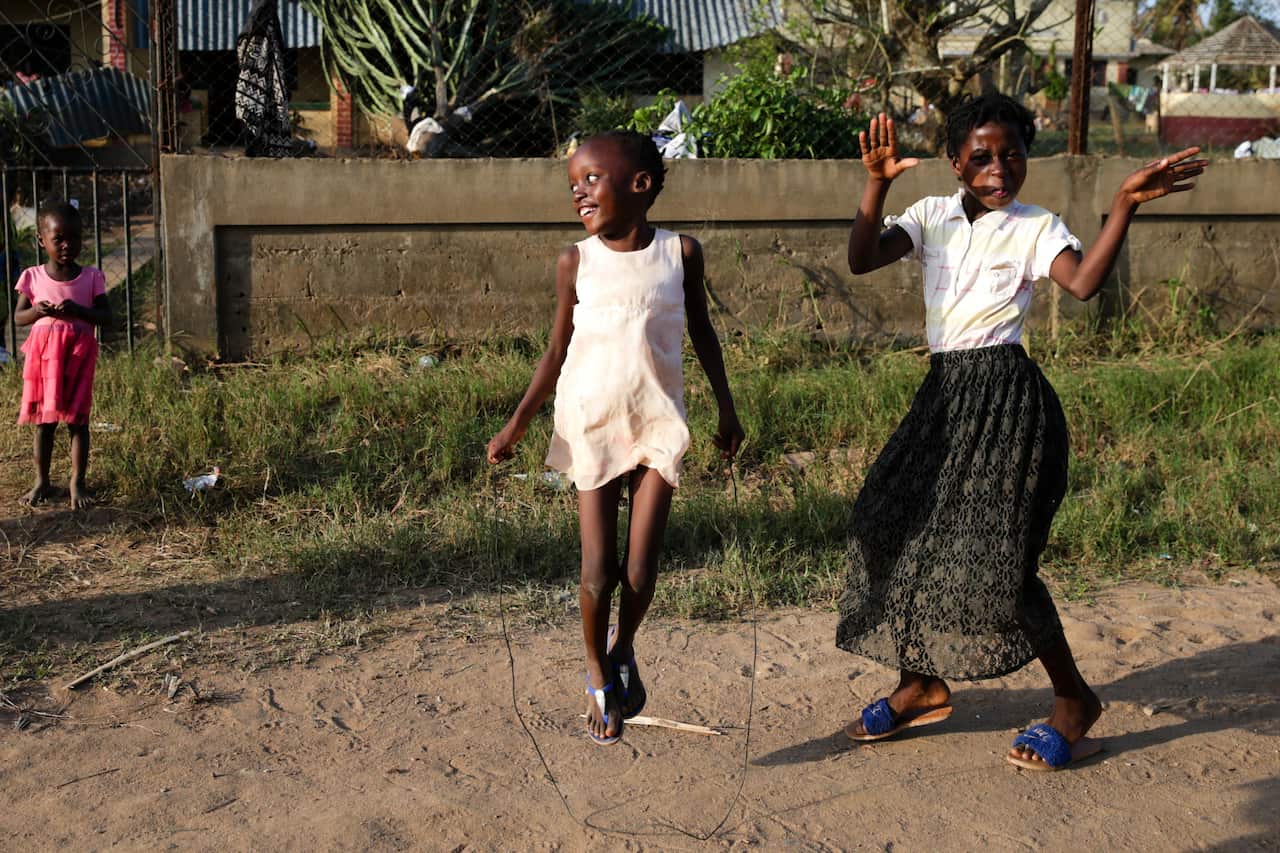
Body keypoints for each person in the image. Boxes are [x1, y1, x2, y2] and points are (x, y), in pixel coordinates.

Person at [839, 94, 1206, 770]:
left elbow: (1085, 284)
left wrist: (1123, 202)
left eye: (1010, 154)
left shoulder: (1036, 225)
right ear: (954, 163)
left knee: (1003, 563)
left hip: (1007, 403)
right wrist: (877, 182)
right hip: (944, 399)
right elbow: (862, 257)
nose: (997, 167)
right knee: (886, 526)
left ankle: (1074, 701)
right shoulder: (930, 217)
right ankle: (920, 680)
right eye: (980, 156)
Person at [487, 131, 744, 745]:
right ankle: (597, 670)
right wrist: (517, 424)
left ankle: (624, 647)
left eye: (591, 178)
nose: (578, 191)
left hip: (658, 421)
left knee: (640, 566)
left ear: (639, 185)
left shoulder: (681, 254)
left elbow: (704, 333)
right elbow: (555, 350)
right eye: (573, 182)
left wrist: (727, 411)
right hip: (593, 423)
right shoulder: (576, 261)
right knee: (598, 569)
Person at [13, 200, 111, 509]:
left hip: (78, 357)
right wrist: (37, 310)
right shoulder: (33, 277)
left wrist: (80, 310)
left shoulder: (91, 277)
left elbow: (106, 317)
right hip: (44, 359)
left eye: (75, 237)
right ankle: (42, 481)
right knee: (45, 421)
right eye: (59, 239)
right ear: (42, 240)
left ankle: (76, 483)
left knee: (78, 421)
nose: (68, 245)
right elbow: (18, 317)